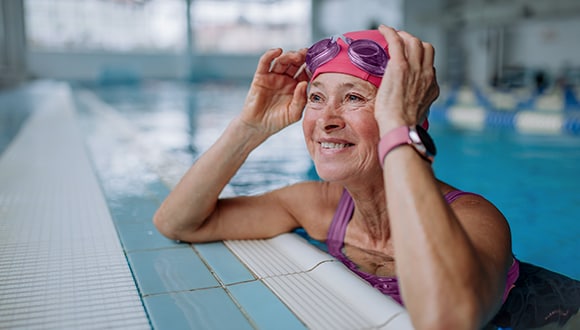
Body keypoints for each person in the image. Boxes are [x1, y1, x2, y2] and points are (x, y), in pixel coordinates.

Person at [154, 25, 579, 329]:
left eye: (354, 98)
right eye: (317, 99)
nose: (326, 120)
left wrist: (399, 123)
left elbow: (448, 320)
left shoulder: (474, 218)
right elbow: (179, 222)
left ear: (408, 117)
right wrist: (250, 127)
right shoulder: (319, 204)